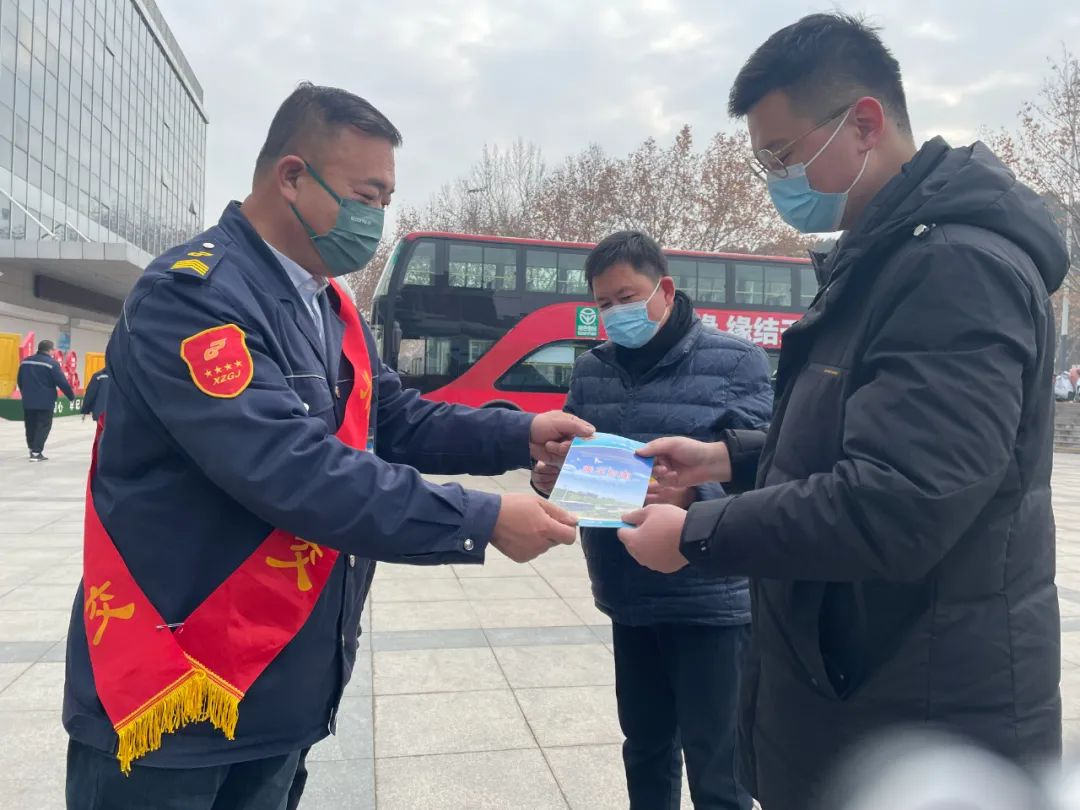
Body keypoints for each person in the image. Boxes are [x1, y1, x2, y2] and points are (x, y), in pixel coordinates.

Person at [63, 83, 593, 810]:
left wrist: (521, 431)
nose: (376, 219)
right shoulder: (193, 298)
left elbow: (394, 419)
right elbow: (290, 467)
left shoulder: (328, 303)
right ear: (292, 176)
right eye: (367, 196)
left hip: (283, 683)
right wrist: (481, 518)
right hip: (176, 684)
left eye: (385, 200)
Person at [617, 13, 1066, 810]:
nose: (775, 180)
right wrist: (729, 459)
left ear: (863, 123)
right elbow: (854, 436)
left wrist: (695, 535)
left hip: (921, 725)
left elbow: (897, 502)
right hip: (857, 694)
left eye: (783, 154)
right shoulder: (883, 258)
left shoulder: (954, 268)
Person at [532, 231, 771, 810]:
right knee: (645, 749)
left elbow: (766, 466)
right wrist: (550, 477)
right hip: (627, 586)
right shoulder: (592, 369)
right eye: (604, 303)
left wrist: (692, 495)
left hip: (709, 595)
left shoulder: (736, 360)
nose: (617, 313)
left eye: (627, 297)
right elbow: (577, 460)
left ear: (664, 289)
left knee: (719, 768)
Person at [16, 338, 75, 461]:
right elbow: (62, 382)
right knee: (43, 426)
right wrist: (71, 396)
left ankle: (32, 449)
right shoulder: (52, 364)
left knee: (30, 425)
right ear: (50, 350)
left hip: (28, 401)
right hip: (45, 401)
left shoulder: (25, 362)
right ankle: (36, 452)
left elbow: (20, 380)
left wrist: (24, 393)